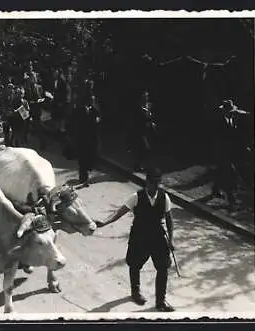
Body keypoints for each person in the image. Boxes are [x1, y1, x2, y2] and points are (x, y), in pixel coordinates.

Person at [96, 168, 175, 312]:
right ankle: (136, 293)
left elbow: (169, 219)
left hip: (158, 237)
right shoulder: (136, 196)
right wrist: (104, 222)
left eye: (158, 184)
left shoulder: (164, 197)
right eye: (154, 183)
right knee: (135, 264)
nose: (156, 187)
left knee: (163, 268)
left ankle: (161, 301)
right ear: (147, 182)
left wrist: (171, 239)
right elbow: (119, 213)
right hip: (140, 236)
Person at [74, 94, 101, 187]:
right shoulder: (80, 110)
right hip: (82, 138)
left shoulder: (94, 110)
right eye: (91, 100)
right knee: (82, 159)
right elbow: (77, 124)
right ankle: (83, 179)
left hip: (91, 138)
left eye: (93, 101)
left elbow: (98, 120)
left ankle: (86, 178)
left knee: (89, 158)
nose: (92, 102)